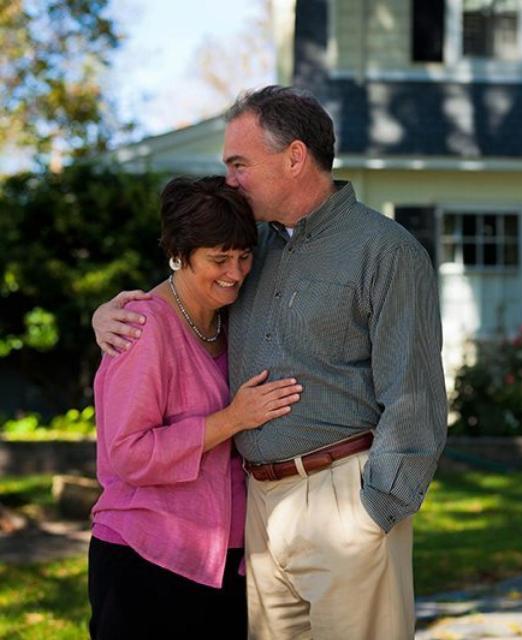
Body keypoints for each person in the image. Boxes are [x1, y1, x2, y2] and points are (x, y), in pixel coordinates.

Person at [93, 86, 447, 639]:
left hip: (344, 501)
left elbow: (414, 393)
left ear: (295, 157)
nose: (230, 179)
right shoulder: (249, 246)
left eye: (239, 164)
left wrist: (376, 510)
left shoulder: (387, 252)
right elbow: (185, 286)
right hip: (255, 512)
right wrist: (106, 314)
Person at [88, 176, 303, 640]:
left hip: (224, 559)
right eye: (218, 259)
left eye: (244, 256)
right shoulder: (141, 328)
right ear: (179, 255)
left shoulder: (233, 320)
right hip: (145, 558)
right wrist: (233, 419)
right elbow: (127, 452)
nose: (236, 271)